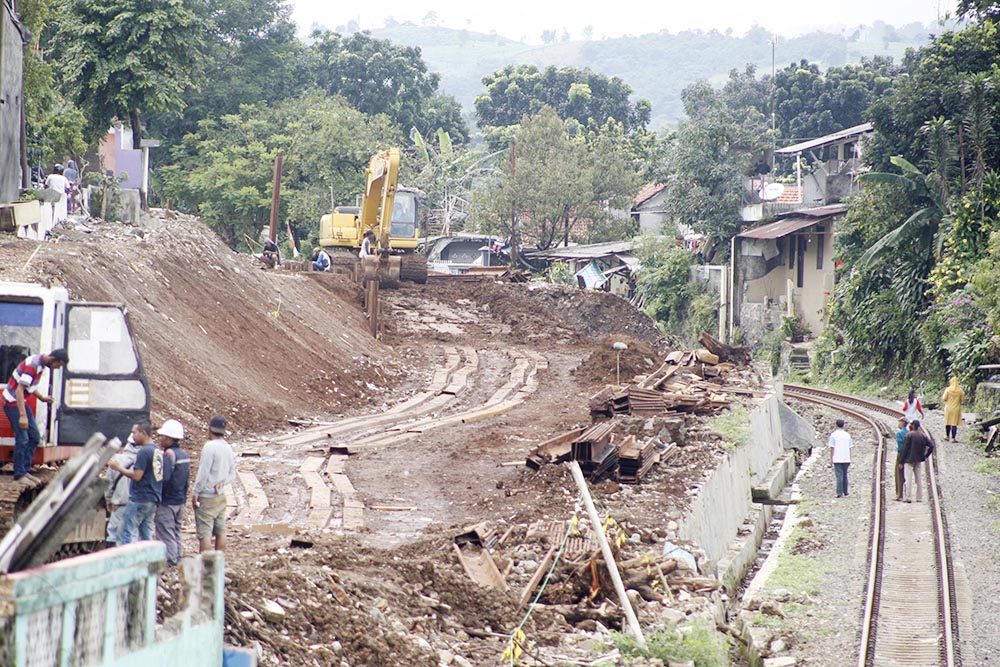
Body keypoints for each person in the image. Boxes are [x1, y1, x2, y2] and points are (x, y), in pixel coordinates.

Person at [2, 349, 70, 488]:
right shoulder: (33, 366)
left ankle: (24, 470)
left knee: (34, 437)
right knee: (23, 438)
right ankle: (19, 474)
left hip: (19, 402)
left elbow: (29, 386)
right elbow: (20, 390)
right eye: (59, 365)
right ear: (53, 359)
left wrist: (42, 398)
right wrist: (22, 415)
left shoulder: (40, 364)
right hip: (12, 402)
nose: (57, 368)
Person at [110, 423, 165, 544]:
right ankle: (150, 560)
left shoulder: (143, 452)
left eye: (134, 433)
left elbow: (137, 476)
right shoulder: (157, 451)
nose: (132, 436)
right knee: (146, 534)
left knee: (126, 531)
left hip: (140, 498)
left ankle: (129, 561)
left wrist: (118, 468)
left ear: (143, 433)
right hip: (153, 498)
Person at [191, 415, 237, 553]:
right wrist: (222, 484)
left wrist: (195, 493)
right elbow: (232, 473)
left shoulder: (209, 447)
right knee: (220, 531)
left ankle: (206, 566)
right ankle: (219, 563)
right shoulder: (227, 448)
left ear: (210, 429)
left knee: (205, 533)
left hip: (207, 497)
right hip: (220, 496)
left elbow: (203, 473)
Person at [154, 419, 190, 566]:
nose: (160, 440)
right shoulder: (184, 455)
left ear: (169, 438)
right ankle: (177, 556)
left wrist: (157, 496)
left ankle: (170, 560)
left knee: (166, 532)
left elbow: (164, 478)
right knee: (176, 531)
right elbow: (186, 480)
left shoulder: (168, 455)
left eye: (163, 437)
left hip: (167, 501)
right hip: (180, 501)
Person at [105, 426, 146, 545]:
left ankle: (112, 561)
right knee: (133, 535)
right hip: (137, 504)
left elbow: (109, 482)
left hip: (119, 505)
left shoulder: (116, 459)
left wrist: (109, 500)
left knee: (113, 534)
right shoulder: (144, 460)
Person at [900, 419, 934, 503]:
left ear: (912, 426)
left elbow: (904, 449)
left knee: (908, 479)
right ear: (918, 426)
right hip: (918, 460)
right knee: (918, 479)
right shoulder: (923, 436)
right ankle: (919, 497)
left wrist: (901, 461)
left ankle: (908, 497)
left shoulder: (909, 435)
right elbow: (931, 446)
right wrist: (925, 456)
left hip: (909, 460)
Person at [828, 418, 853, 498]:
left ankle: (839, 492)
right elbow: (850, 447)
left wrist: (831, 458)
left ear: (836, 425)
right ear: (843, 425)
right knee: (845, 475)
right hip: (846, 457)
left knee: (839, 475)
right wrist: (849, 456)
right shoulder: (847, 435)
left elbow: (832, 447)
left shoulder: (833, 435)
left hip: (837, 458)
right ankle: (845, 491)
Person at [942, 377, 965, 442]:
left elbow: (944, 398)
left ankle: (947, 436)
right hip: (956, 409)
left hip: (948, 408)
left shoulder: (948, 390)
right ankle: (953, 438)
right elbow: (962, 399)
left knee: (948, 422)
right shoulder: (960, 391)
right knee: (954, 423)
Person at [894, 418, 908, 501]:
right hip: (908, 455)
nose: (898, 424)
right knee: (906, 475)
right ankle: (907, 493)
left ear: (902, 423)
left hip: (901, 455)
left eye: (899, 422)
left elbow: (900, 446)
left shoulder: (899, 433)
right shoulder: (908, 432)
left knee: (899, 474)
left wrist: (900, 460)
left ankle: (899, 494)